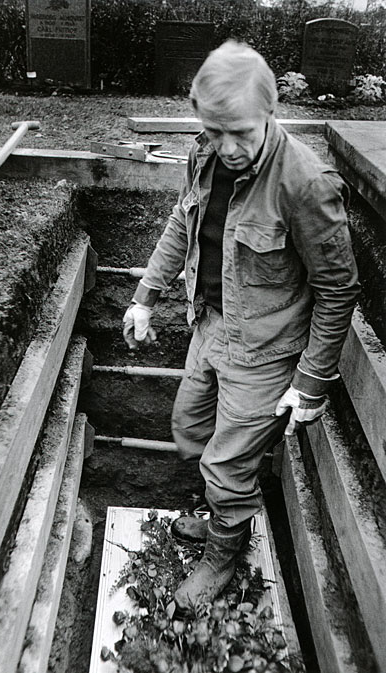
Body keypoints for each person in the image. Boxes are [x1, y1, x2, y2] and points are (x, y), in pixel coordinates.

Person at [122, 40, 360, 613]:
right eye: (213, 130)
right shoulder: (204, 154)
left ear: (270, 113)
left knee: (225, 464)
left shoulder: (306, 184)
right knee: (190, 428)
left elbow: (338, 288)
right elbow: (184, 224)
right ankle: (229, 513)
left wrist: (312, 380)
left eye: (241, 134)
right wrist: (144, 297)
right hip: (209, 326)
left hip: (266, 349)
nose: (226, 148)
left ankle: (224, 555)